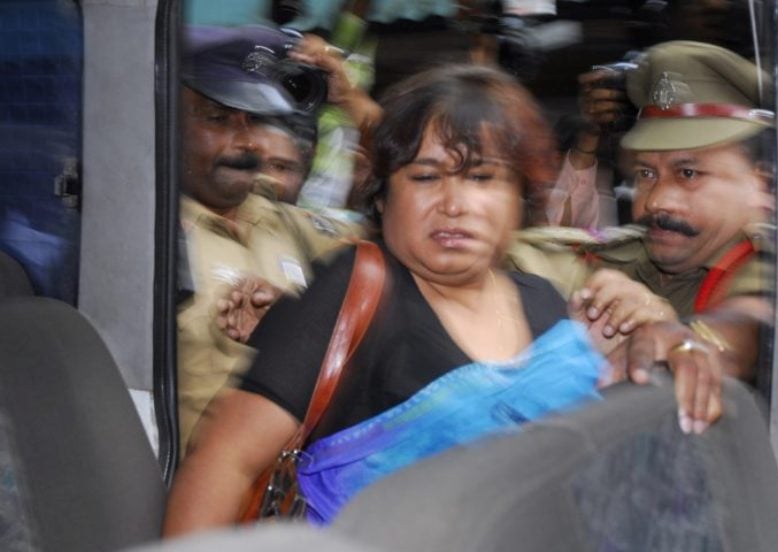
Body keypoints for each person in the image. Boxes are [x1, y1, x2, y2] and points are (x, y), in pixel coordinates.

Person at [163, 64, 723, 536]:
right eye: (426, 177)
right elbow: (225, 463)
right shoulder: (355, 292)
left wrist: (656, 337)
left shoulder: (549, 305)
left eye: (482, 177)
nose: (454, 204)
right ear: (383, 196)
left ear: (518, 198)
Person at [509, 40, 775, 385]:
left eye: (688, 173)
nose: (655, 201)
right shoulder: (627, 254)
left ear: (761, 185)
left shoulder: (772, 268)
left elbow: (751, 326)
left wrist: (683, 339)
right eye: (646, 174)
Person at [177, 24, 360, 457]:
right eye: (219, 119)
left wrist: (354, 103)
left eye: (254, 119)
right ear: (167, 121)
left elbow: (408, 236)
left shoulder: (283, 220)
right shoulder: (148, 236)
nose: (248, 142)